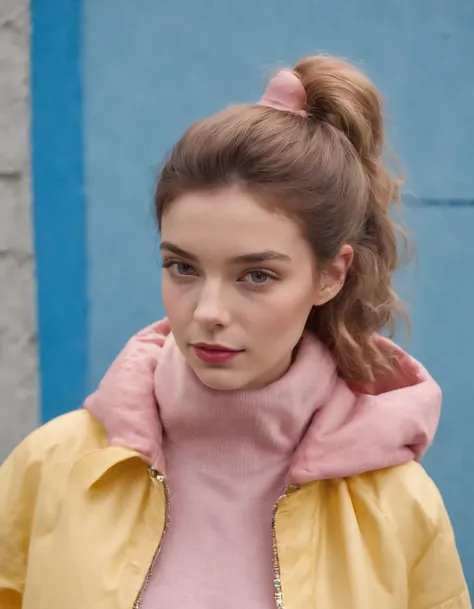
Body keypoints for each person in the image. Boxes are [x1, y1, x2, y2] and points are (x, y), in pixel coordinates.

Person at [0, 55, 470, 609]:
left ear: (330, 275)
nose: (208, 311)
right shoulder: (51, 467)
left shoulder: (398, 506)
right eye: (183, 267)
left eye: (256, 275)